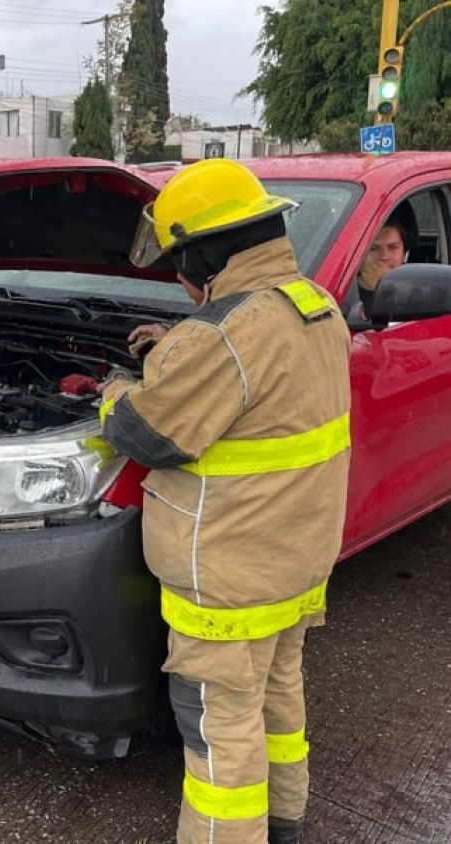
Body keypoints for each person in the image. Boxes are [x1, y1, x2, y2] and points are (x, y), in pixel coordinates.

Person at [99, 159, 352, 844]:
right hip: (294, 562)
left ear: (207, 252)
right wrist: (174, 350)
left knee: (219, 733)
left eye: (180, 261)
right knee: (276, 699)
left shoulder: (219, 338)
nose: (178, 280)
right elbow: (257, 391)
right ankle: (286, 822)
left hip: (227, 579)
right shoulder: (313, 304)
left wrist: (113, 391)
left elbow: (144, 432)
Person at [357, 208, 411, 313]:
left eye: (393, 247)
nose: (384, 256)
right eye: (373, 249)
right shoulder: (343, 288)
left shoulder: (416, 289)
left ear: (404, 252)